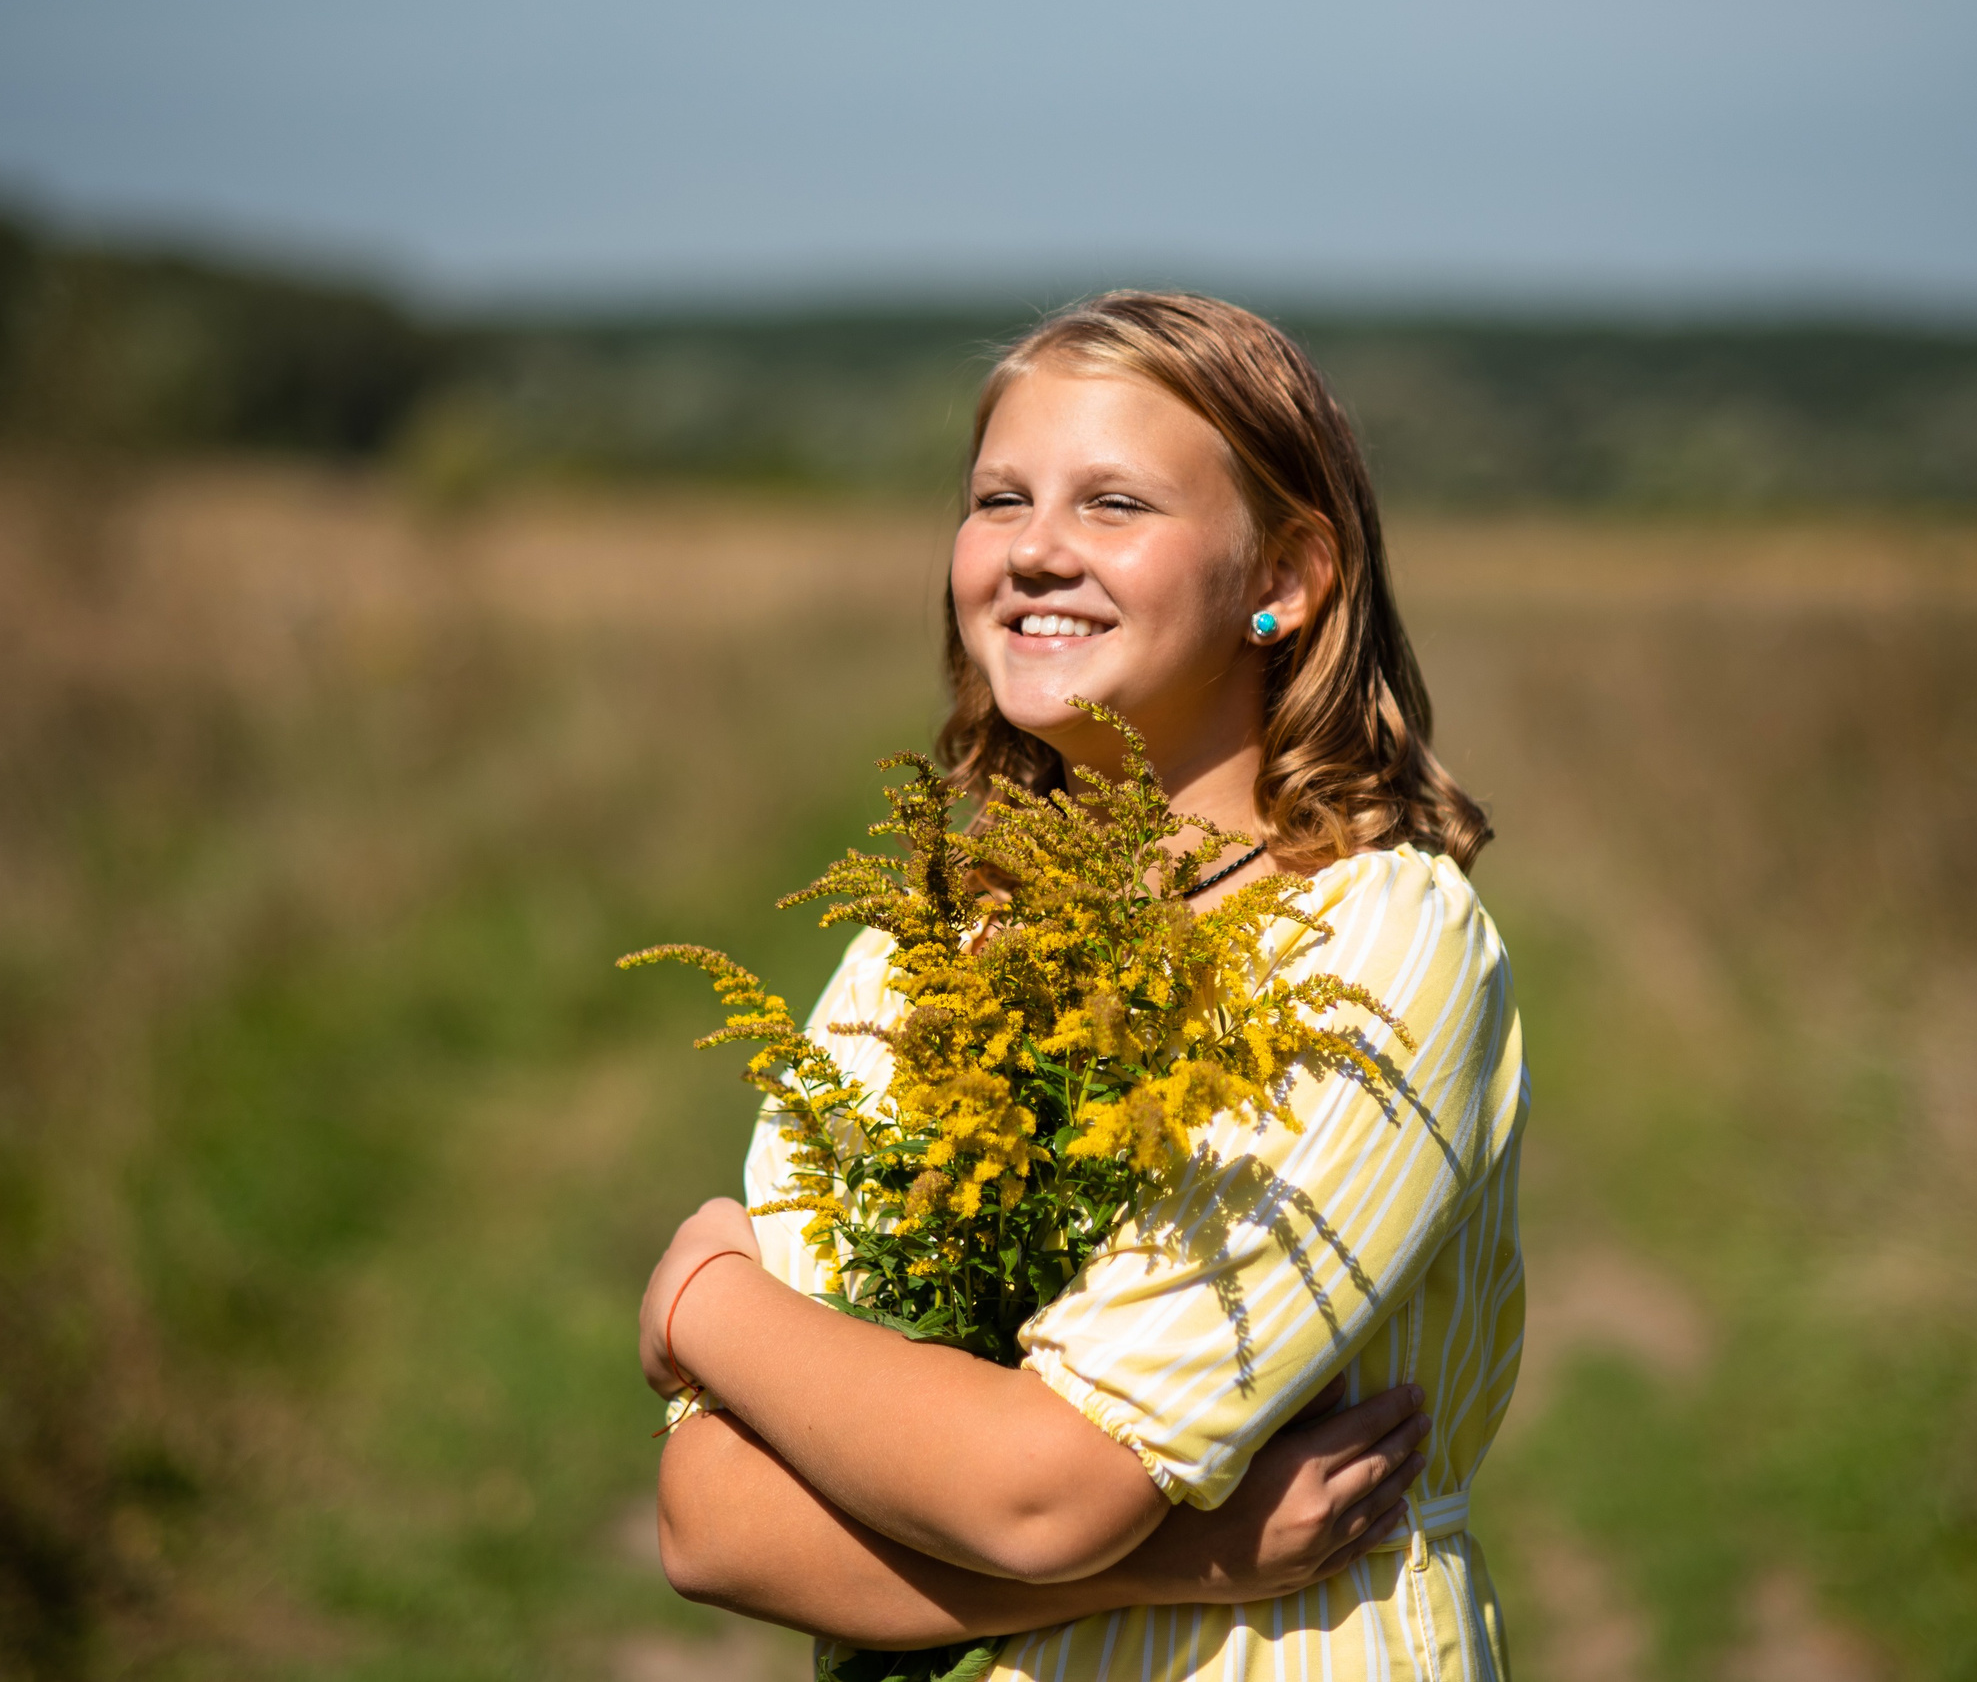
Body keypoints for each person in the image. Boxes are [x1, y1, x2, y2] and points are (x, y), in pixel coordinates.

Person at [637, 292, 1527, 1681]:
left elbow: (1047, 1488)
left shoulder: (1374, 938)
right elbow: (713, 1522)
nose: (1037, 550)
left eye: (1114, 503)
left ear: (1285, 576)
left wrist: (706, 1307)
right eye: (1000, 499)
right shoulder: (920, 945)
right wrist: (1197, 1550)